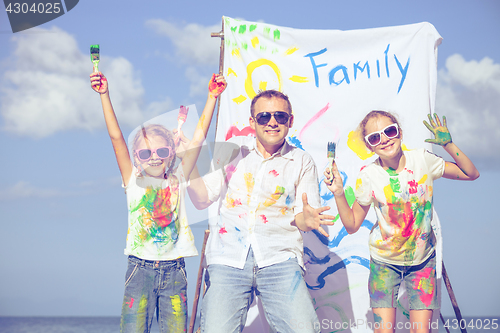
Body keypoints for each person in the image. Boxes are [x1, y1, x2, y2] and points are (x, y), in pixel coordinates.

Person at [187, 89, 335, 333]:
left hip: (280, 258)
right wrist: (189, 167)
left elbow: (302, 216)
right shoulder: (232, 151)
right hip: (228, 259)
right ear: (252, 122)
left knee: (305, 329)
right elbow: (202, 199)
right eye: (264, 116)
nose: (273, 122)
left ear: (291, 121)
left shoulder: (302, 161)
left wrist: (307, 220)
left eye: (280, 116)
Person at [90, 71, 226, 333]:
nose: (154, 157)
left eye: (161, 151)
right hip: (138, 270)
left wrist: (212, 97)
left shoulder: (178, 177)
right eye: (145, 152)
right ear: (136, 157)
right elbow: (116, 137)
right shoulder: (132, 180)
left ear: (171, 153)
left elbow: (197, 138)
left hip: (175, 272)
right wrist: (104, 95)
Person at [324, 111, 479, 333]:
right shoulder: (368, 175)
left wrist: (449, 145)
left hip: (423, 261)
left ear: (400, 132)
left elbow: (471, 173)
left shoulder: (422, 160)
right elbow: (352, 225)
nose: (384, 139)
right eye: (375, 138)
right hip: (384, 262)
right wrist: (338, 193)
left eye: (389, 131)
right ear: (370, 146)